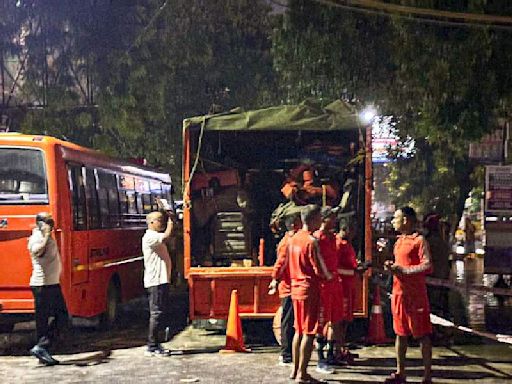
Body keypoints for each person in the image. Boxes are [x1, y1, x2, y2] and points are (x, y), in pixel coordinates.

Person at [384, 207, 433, 384]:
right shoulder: (399, 241)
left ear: (406, 220)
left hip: (415, 296)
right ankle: (400, 372)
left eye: (395, 218)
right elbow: (400, 265)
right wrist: (392, 268)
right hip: (399, 294)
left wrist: (406, 271)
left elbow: (427, 265)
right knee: (400, 333)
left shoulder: (419, 241)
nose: (393, 222)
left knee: (422, 334)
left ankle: (427, 375)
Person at [288, 204, 332, 384]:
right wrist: (330, 276)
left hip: (296, 289)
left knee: (298, 330)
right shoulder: (311, 241)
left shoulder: (293, 239)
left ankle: (295, 369)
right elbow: (320, 268)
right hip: (309, 290)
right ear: (313, 219)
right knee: (309, 331)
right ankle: (303, 374)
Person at [28, 212, 68, 366]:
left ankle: (42, 347)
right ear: (40, 223)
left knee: (59, 316)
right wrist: (45, 236)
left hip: (51, 284)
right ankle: (41, 347)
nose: (51, 224)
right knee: (48, 318)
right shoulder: (36, 238)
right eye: (47, 221)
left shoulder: (47, 236)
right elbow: (37, 251)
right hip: (42, 285)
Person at [313, 207, 344, 374]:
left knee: (335, 319)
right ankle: (320, 358)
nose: (335, 220)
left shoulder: (333, 238)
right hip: (323, 284)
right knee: (321, 322)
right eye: (332, 217)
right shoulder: (316, 238)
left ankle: (331, 354)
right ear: (324, 219)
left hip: (334, 284)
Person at [269, 214, 302, 366]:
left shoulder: (290, 241)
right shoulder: (288, 243)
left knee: (291, 320)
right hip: (288, 287)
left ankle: (290, 352)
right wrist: (275, 279)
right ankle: (286, 353)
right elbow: (280, 263)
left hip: (292, 285)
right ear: (295, 224)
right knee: (288, 321)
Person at [142, 207, 175, 357]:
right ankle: (152, 345)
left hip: (161, 280)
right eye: (159, 221)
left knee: (160, 313)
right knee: (156, 313)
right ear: (151, 222)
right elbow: (167, 236)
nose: (161, 223)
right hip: (155, 281)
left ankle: (157, 344)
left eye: (162, 220)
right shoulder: (150, 237)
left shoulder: (154, 235)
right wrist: (171, 220)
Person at [336, 223, 364, 364]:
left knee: (346, 319)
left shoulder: (347, 244)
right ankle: (337, 349)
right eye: (352, 230)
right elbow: (334, 268)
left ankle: (342, 347)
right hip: (341, 287)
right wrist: (354, 271)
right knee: (339, 320)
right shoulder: (338, 244)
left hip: (349, 286)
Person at [423, 214, 450, 317]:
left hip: (432, 279)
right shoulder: (441, 242)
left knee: (432, 306)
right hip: (441, 279)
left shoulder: (428, 242)